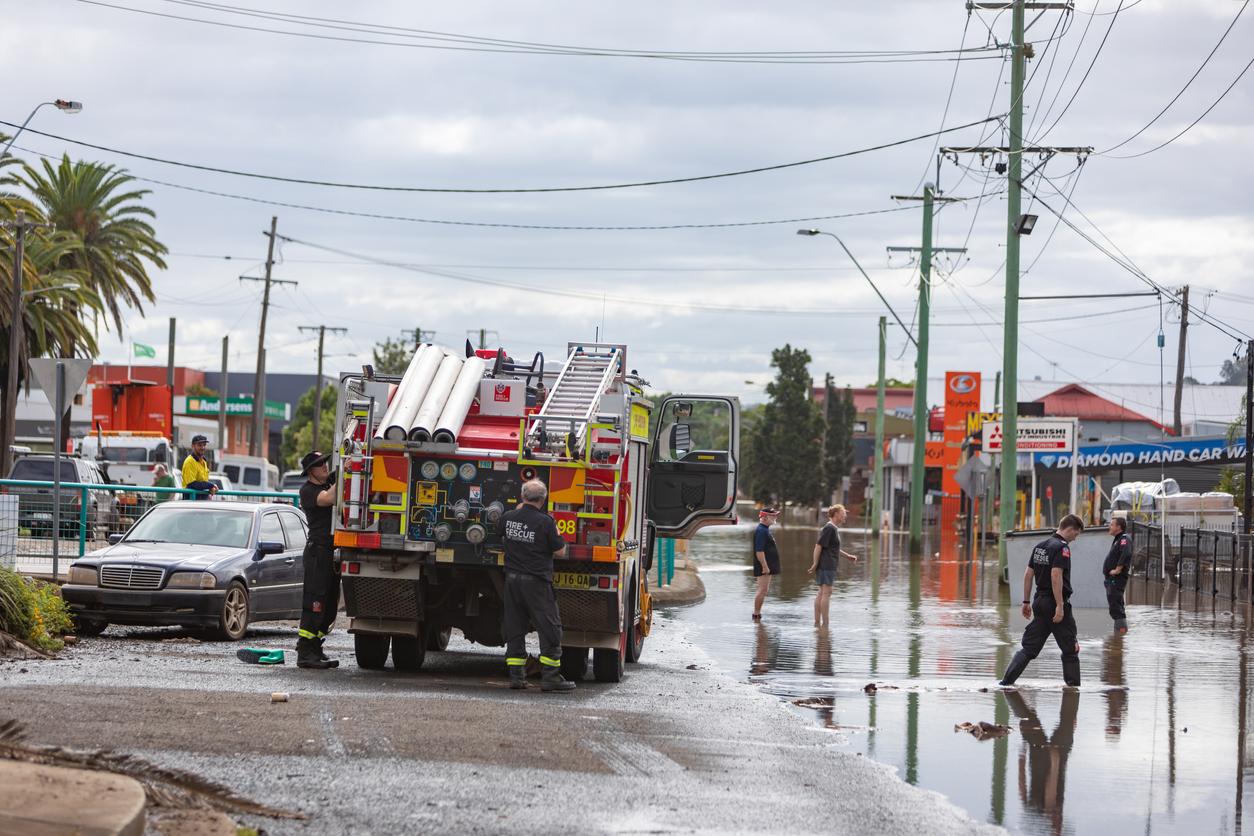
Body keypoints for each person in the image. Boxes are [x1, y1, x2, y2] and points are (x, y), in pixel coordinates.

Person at [496, 478, 575, 692]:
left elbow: (500, 534)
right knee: (549, 628)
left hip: (512, 582)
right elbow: (560, 551)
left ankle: (516, 677)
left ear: (522, 497)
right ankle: (551, 678)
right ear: (543, 499)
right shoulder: (546, 522)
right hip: (537, 584)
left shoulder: (508, 517)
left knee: (515, 627)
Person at [1000, 514, 1085, 687]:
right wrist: (1060, 606)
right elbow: (1056, 575)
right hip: (1054, 604)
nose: (1075, 539)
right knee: (1070, 649)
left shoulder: (1040, 546)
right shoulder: (1062, 548)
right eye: (1075, 535)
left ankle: (1005, 683)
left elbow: (1028, 574)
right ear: (1069, 529)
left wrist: (1025, 601)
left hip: (1039, 602)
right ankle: (1073, 691)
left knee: (1029, 648)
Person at [295, 451, 339, 670]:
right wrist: (346, 474)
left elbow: (332, 484)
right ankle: (305, 651)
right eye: (319, 464)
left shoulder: (323, 484)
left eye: (325, 463)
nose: (324, 466)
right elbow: (329, 499)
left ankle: (316, 647)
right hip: (317, 554)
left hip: (330, 553)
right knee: (315, 603)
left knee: (329, 605)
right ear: (310, 471)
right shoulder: (308, 491)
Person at [807, 504, 859, 628]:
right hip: (827, 565)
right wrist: (815, 563)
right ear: (836, 514)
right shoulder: (830, 528)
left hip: (827, 564)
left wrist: (848, 556)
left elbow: (833, 549)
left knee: (821, 592)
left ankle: (818, 622)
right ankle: (825, 624)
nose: (845, 515)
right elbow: (818, 546)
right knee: (826, 593)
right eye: (843, 513)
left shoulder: (832, 528)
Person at [1102, 515, 1133, 634]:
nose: (1109, 526)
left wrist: (1118, 569)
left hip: (1117, 578)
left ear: (1119, 527)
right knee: (1115, 604)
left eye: (1111, 524)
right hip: (1111, 579)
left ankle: (1120, 635)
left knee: (1116, 605)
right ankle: (1118, 637)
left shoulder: (1124, 538)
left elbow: (1126, 553)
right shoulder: (1117, 539)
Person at [751, 507, 781, 622]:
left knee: (764, 590)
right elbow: (759, 551)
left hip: (766, 565)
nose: (775, 517)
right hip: (764, 566)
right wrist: (765, 566)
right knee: (762, 590)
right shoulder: (761, 530)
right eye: (773, 516)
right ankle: (756, 614)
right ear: (765, 517)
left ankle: (757, 614)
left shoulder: (765, 529)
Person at [180, 435, 217, 500]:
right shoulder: (190, 461)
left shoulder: (204, 461)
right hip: (190, 499)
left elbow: (203, 481)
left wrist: (210, 488)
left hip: (201, 499)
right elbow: (192, 484)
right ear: (193, 446)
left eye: (204, 445)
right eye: (199, 445)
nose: (202, 447)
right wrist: (211, 485)